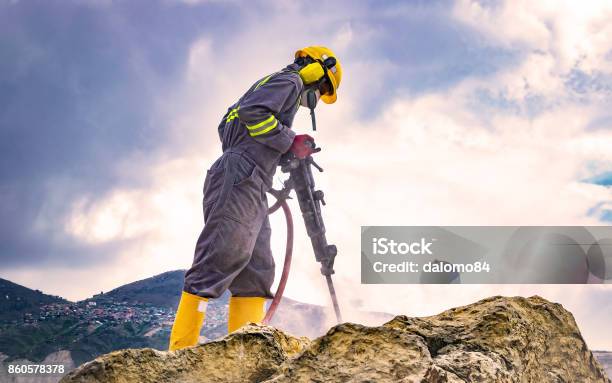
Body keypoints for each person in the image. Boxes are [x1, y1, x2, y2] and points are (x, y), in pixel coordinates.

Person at [168, 46, 343, 351]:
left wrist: (282, 151)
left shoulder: (269, 86)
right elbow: (253, 115)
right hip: (242, 175)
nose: (313, 99)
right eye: (321, 89)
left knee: (257, 270)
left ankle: (243, 354)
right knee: (220, 257)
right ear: (315, 70)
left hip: (252, 180)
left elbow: (229, 124)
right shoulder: (290, 82)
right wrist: (290, 140)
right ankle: (180, 353)